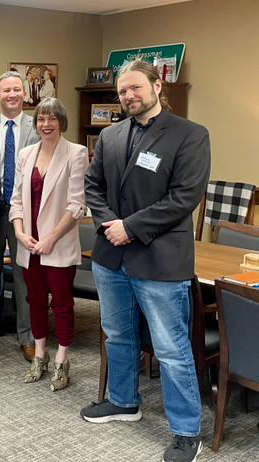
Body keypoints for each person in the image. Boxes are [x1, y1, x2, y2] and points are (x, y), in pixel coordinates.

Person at [81, 60, 210, 462]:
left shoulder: (190, 135)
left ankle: (187, 432)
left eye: (135, 88)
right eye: (122, 92)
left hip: (160, 260)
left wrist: (131, 227)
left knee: (171, 349)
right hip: (111, 257)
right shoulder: (112, 135)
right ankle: (123, 401)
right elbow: (93, 185)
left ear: (157, 84)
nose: (129, 96)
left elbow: (185, 197)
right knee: (117, 335)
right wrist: (108, 226)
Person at [9, 97, 87, 391]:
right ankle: (40, 355)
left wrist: (50, 238)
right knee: (35, 302)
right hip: (29, 245)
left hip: (58, 244)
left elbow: (77, 204)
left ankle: (62, 360)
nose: (46, 125)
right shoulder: (26, 154)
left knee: (63, 304)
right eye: (41, 119)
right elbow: (16, 200)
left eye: (52, 119)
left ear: (61, 122)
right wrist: (19, 232)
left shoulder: (76, 153)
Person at [0, 71, 40, 361]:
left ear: (24, 94)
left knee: (25, 274)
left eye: (17, 89)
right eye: (7, 90)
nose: (12, 95)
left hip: (25, 212)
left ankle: (27, 336)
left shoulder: (39, 126)